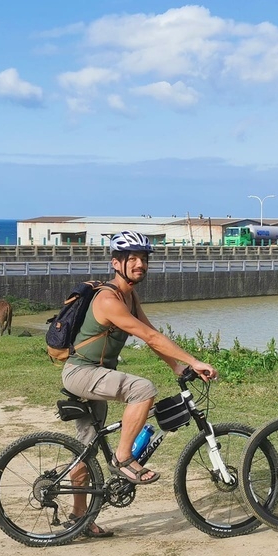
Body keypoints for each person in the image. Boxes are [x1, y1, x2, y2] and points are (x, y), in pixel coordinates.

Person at [61, 230, 218, 536]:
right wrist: (194, 361)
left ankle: (79, 520)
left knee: (86, 451)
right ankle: (123, 459)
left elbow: (151, 333)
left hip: (94, 374)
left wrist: (176, 367)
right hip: (83, 373)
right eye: (132, 258)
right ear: (115, 263)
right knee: (143, 389)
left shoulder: (129, 296)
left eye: (143, 259)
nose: (139, 264)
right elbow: (148, 336)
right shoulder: (108, 299)